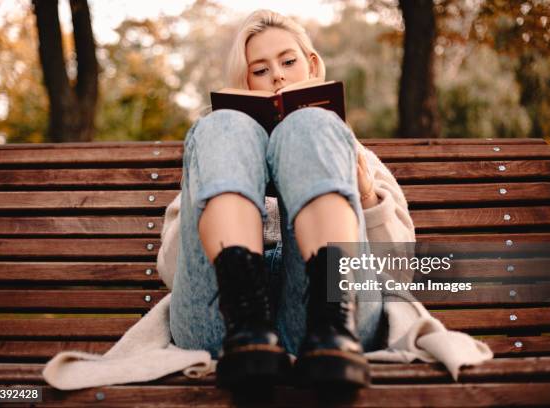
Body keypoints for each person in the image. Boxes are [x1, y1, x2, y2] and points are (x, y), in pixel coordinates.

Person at [164, 9, 414, 389]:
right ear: (244, 81)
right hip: (221, 328)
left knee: (311, 123)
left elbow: (399, 273)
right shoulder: (217, 152)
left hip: (337, 328)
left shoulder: (353, 153)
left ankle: (331, 323)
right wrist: (224, 197)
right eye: (260, 70)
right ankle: (249, 328)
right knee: (219, 124)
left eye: (288, 61)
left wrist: (365, 196)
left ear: (312, 65)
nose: (278, 75)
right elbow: (174, 271)